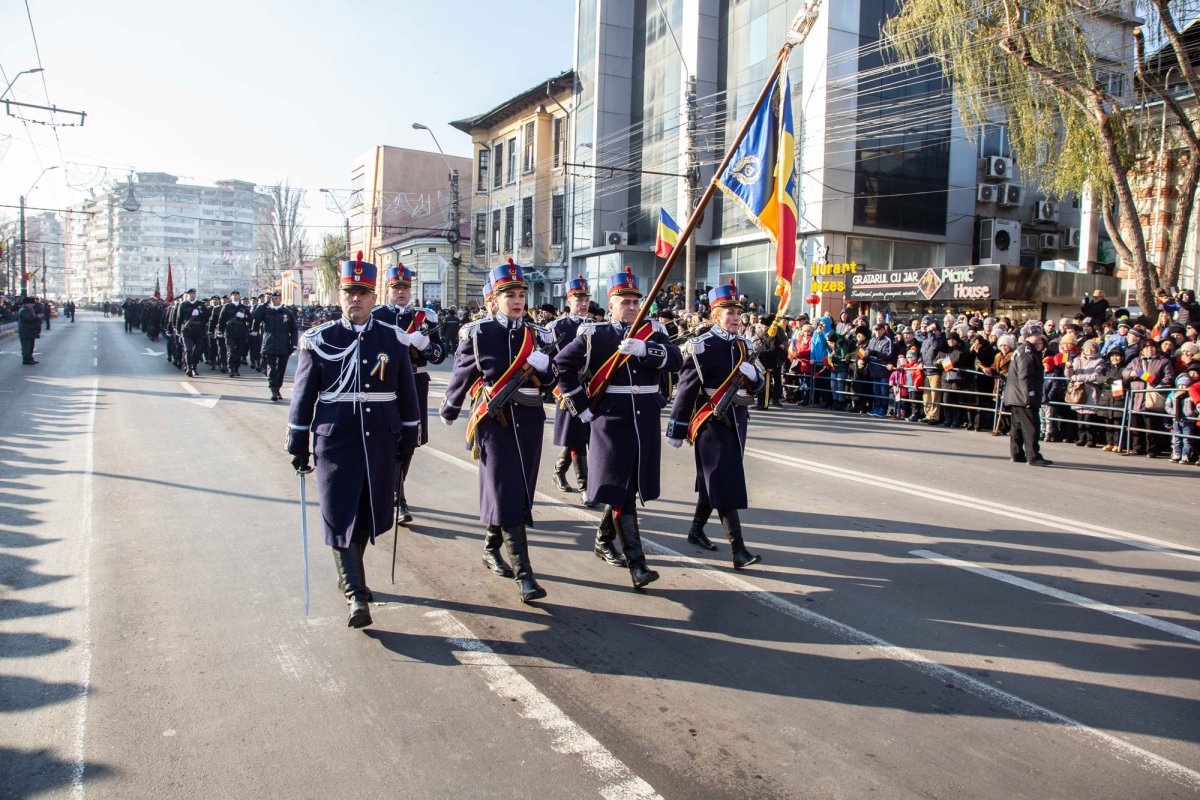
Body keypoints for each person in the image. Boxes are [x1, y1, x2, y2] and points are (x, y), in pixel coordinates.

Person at [284, 253, 421, 629]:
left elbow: (406, 393)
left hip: (379, 438)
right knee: (338, 511)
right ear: (340, 296)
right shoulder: (320, 340)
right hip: (335, 440)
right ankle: (356, 594)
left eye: (362, 292)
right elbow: (303, 396)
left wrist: (410, 435)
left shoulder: (392, 338)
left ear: (374, 297)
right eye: (349, 292)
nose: (356, 299)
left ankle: (351, 577)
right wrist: (297, 442)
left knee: (365, 512)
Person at [553, 266, 683, 589]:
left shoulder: (653, 332)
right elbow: (562, 366)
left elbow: (676, 360)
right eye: (624, 302)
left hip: (644, 421)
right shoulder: (595, 335)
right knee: (622, 489)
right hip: (612, 422)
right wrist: (580, 406)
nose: (632, 307)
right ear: (610, 304)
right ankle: (638, 564)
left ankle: (602, 540)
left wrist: (645, 350)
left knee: (627, 486)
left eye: (635, 301)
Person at [440, 259, 554, 604]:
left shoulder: (539, 335)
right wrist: (450, 407)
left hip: (530, 421)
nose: (518, 301)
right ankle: (525, 576)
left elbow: (553, 384)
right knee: (505, 490)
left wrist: (545, 370)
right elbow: (462, 373)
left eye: (521, 295)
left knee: (518, 490)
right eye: (510, 296)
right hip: (495, 421)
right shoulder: (479, 333)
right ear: (494, 299)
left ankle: (491, 547)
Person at [667, 280, 764, 568]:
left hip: (737, 421)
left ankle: (696, 531)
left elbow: (756, 388)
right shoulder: (701, 346)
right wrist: (677, 427)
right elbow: (686, 389)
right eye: (729, 312)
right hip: (710, 423)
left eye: (738, 312)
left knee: (716, 480)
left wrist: (754, 377)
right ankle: (738, 550)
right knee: (724, 480)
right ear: (715, 315)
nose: (736, 317)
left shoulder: (745, 345)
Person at [371, 263, 447, 524]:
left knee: (410, 441)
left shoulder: (425, 317)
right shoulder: (377, 315)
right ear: (387, 290)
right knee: (388, 440)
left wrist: (425, 345)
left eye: (405, 287)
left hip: (415, 383)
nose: (401, 292)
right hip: (386, 385)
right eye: (396, 287)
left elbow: (439, 355)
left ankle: (394, 492)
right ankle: (396, 498)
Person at [546, 275, 598, 505]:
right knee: (577, 436)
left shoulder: (597, 327)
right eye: (579, 299)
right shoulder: (556, 327)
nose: (584, 303)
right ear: (568, 301)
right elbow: (550, 362)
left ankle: (558, 471)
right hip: (568, 388)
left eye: (586, 299)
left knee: (580, 435)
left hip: (593, 388)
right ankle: (585, 486)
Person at [1003, 323, 1052, 466]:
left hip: (1016, 395)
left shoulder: (1021, 350)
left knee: (1017, 426)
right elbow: (1025, 376)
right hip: (1022, 395)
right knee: (1031, 426)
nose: (1039, 337)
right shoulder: (1026, 351)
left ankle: (1017, 453)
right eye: (1036, 334)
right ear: (1028, 336)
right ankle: (1033, 456)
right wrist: (1029, 396)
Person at [1122, 336, 1174, 457]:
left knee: (1152, 425)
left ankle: (1153, 449)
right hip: (1137, 396)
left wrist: (1157, 385)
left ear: (1156, 349)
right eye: (1146, 348)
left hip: (1152, 397)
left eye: (1152, 347)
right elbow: (1124, 373)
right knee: (1136, 424)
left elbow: (1169, 377)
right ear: (1142, 350)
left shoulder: (1163, 361)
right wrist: (1131, 373)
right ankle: (1138, 447)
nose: (1149, 350)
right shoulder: (1136, 360)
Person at [255, 290, 298, 401]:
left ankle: (277, 388)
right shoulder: (266, 311)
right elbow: (255, 316)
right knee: (271, 368)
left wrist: (294, 344)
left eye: (277, 298)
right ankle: (273, 389)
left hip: (283, 345)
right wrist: (266, 303)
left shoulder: (287, 312)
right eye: (273, 298)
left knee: (281, 369)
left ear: (280, 299)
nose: (275, 300)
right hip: (269, 344)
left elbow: (294, 329)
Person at [177, 289, 210, 378]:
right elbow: (179, 318)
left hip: (199, 330)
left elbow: (207, 315)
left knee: (197, 350)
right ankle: (188, 367)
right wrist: (178, 330)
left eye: (194, 293)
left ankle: (194, 366)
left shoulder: (201, 304)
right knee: (188, 349)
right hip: (187, 330)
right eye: (190, 294)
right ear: (187, 295)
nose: (192, 295)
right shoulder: (183, 304)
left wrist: (200, 312)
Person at [218, 291, 251, 377]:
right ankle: (231, 368)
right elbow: (222, 320)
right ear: (231, 297)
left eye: (236, 295)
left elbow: (250, 319)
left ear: (239, 296)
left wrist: (244, 316)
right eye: (233, 295)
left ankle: (236, 368)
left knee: (239, 352)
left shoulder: (244, 307)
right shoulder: (227, 307)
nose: (235, 296)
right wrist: (220, 331)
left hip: (241, 332)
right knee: (231, 350)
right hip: (230, 332)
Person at [17, 296, 41, 365]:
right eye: (31, 303)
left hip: (30, 331)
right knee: (26, 347)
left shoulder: (30, 310)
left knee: (31, 347)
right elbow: (29, 318)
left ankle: (30, 358)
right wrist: (37, 317)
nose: (32, 305)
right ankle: (26, 359)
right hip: (25, 332)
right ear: (27, 303)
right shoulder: (23, 311)